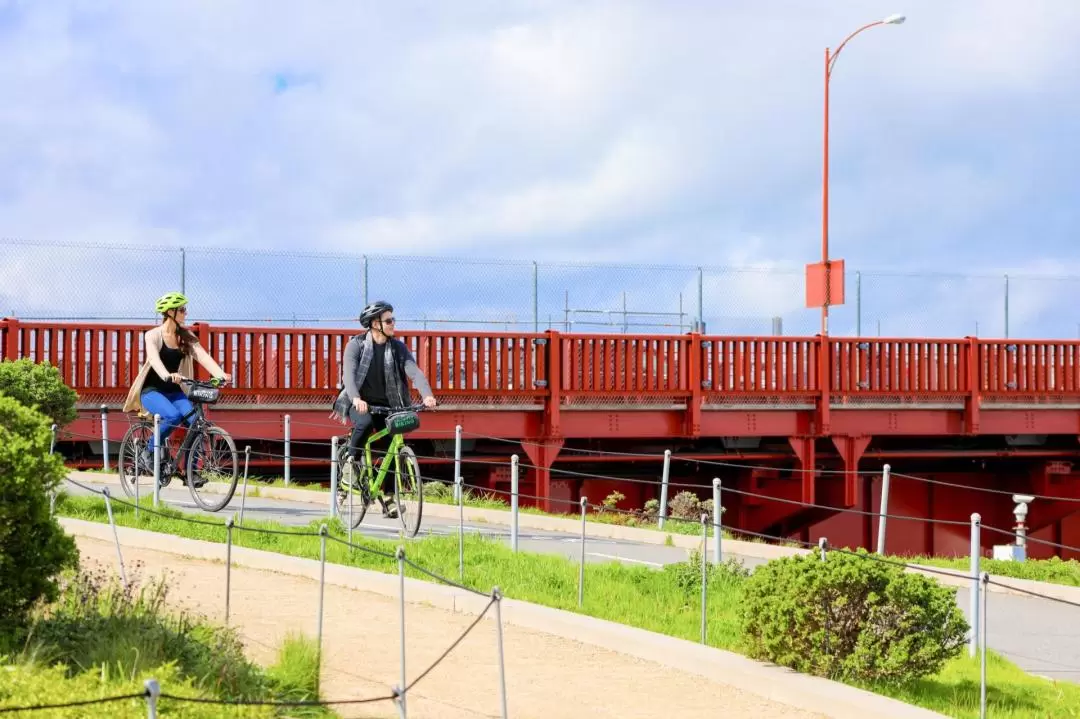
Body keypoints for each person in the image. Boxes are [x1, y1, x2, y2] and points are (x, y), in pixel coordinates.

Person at [331, 300, 436, 517]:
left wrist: (427, 394)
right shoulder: (356, 345)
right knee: (365, 423)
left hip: (388, 405)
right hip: (358, 402)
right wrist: (356, 398)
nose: (392, 324)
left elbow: (414, 372)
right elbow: (348, 377)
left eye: (393, 319)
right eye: (388, 320)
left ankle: (388, 497)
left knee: (391, 444)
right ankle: (349, 467)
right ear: (374, 323)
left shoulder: (398, 348)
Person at [122, 291, 232, 472]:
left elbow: (202, 356)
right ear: (170, 312)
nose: (185, 313)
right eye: (181, 310)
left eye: (184, 310)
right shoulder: (153, 335)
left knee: (196, 423)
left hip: (174, 392)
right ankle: (148, 451)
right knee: (173, 416)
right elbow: (154, 359)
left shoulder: (185, 337)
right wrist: (167, 374)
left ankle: (192, 471)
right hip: (152, 391)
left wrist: (220, 374)